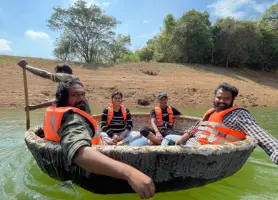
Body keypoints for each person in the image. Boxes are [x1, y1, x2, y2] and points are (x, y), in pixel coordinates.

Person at [42, 78, 155, 199]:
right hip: (89, 173)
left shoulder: (67, 113)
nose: (81, 98)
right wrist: (129, 173)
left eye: (82, 94)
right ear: (64, 99)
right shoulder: (72, 118)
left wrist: (106, 140)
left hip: (104, 144)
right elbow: (80, 153)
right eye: (75, 95)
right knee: (143, 141)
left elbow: (126, 125)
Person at [162, 82, 278, 165]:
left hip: (206, 152)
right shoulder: (212, 111)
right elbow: (196, 127)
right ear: (215, 97)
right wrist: (182, 138)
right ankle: (162, 159)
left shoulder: (239, 115)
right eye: (219, 97)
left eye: (226, 98)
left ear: (233, 99)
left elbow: (260, 134)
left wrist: (275, 151)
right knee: (168, 137)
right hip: (193, 143)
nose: (221, 101)